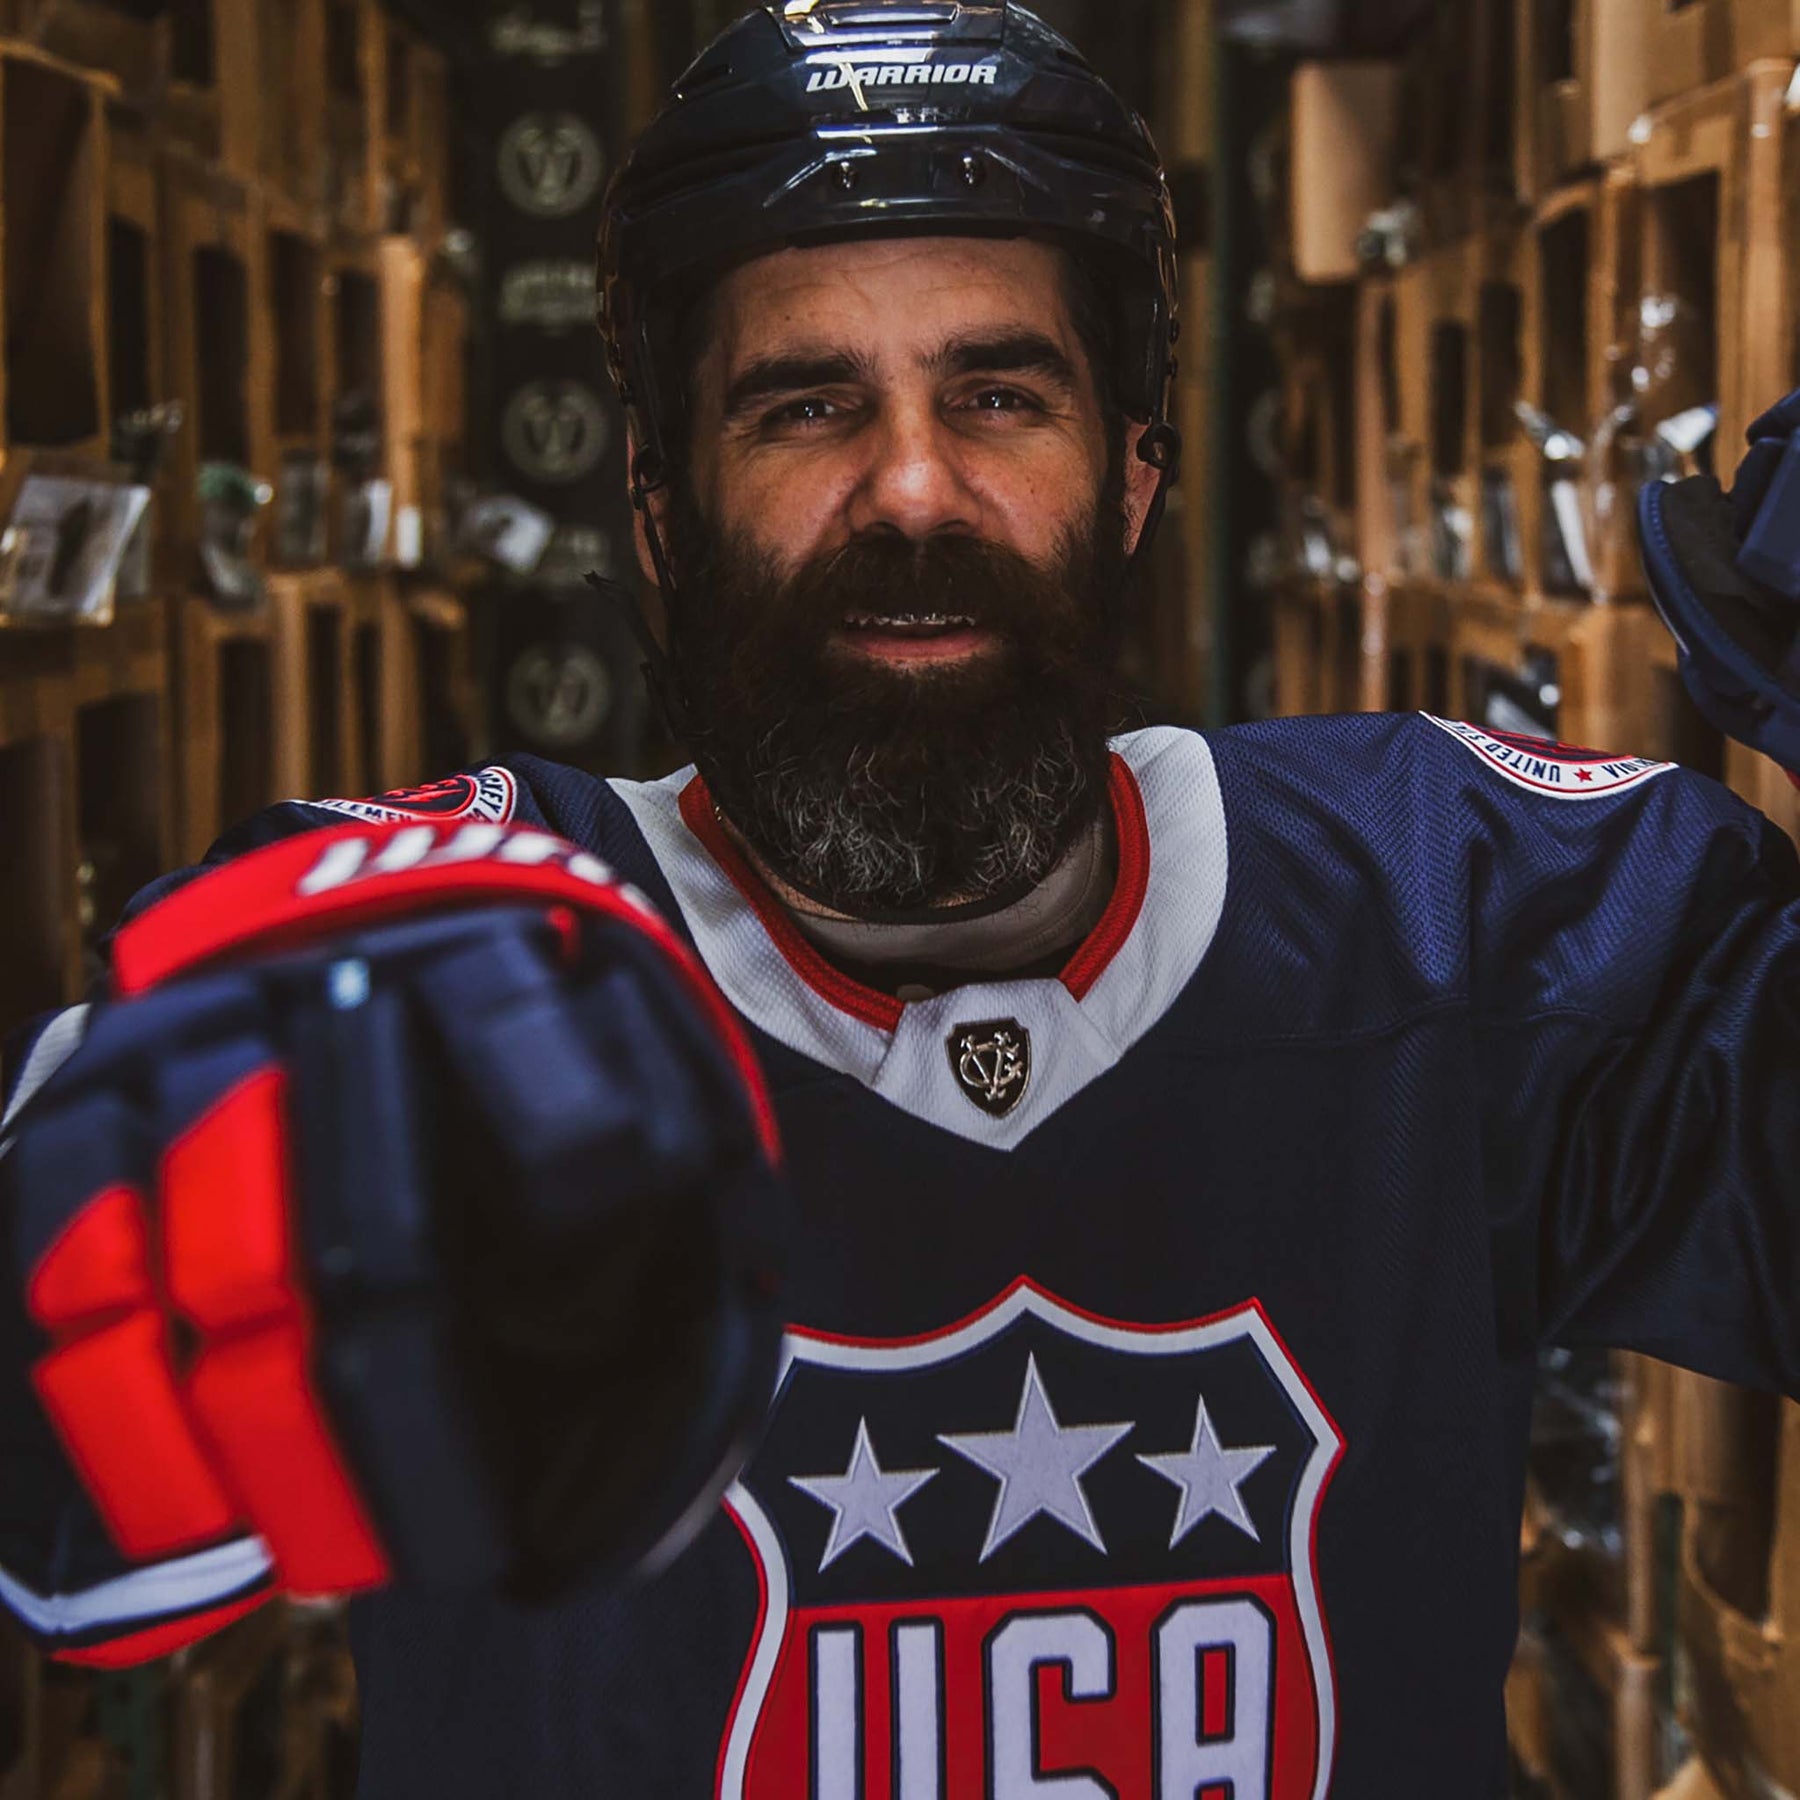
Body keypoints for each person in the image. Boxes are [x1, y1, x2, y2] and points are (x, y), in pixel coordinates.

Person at [3, 5, 1799, 1795]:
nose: (916, 491)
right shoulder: (459, 948)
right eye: (807, 408)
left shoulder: (1446, 905)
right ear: (658, 500)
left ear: (1135, 471)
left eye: (1000, 396)